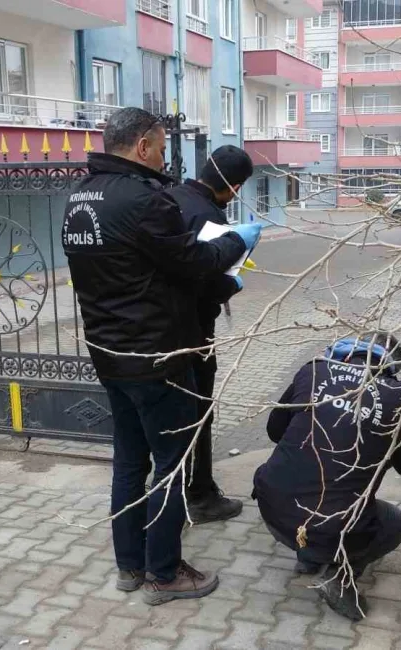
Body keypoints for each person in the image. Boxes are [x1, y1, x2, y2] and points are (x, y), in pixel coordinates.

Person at [62, 107, 263, 606]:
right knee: (171, 465)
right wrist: (238, 240)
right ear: (144, 146)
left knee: (129, 462)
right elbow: (194, 262)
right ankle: (164, 573)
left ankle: (129, 565)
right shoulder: (143, 200)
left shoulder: (79, 199)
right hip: (159, 357)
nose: (164, 156)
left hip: (109, 354)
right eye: (161, 145)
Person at [252, 331, 401, 621]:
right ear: (393, 366)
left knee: (307, 486)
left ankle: (309, 556)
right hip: (331, 524)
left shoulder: (314, 370)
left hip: (272, 507)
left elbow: (274, 431)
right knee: (393, 525)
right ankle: (339, 576)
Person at [166, 145, 256, 524]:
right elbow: (203, 279)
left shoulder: (169, 197)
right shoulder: (208, 215)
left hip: (158, 330)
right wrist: (232, 285)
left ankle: (175, 489)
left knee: (172, 415)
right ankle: (199, 494)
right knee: (199, 413)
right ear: (233, 187)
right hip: (194, 330)